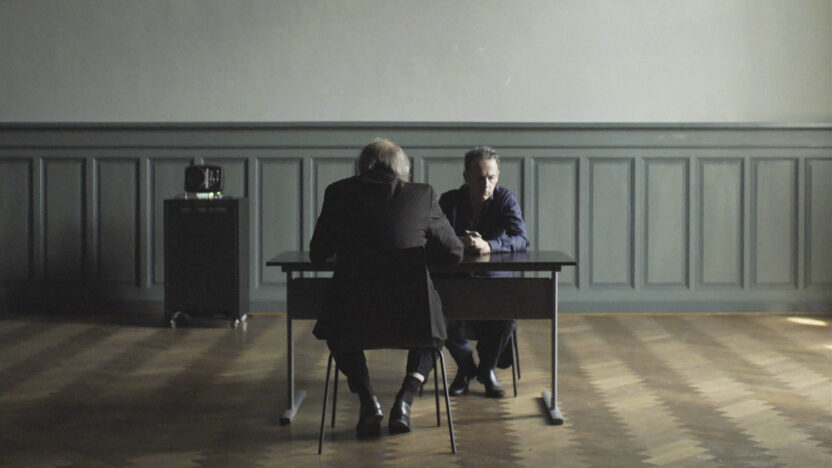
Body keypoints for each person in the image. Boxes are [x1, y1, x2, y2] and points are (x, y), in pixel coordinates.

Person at [310, 138, 463, 437]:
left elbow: (318, 253)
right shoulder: (422, 195)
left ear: (363, 166)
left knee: (337, 332)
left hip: (354, 314)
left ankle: (368, 400)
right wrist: (419, 256)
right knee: (436, 331)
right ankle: (405, 399)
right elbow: (454, 252)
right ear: (401, 167)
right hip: (412, 314)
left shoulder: (338, 193)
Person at [438, 146, 529, 398]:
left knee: (510, 312)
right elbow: (434, 237)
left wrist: (489, 245)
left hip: (494, 281)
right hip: (457, 281)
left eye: (492, 177)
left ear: (498, 176)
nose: (486, 185)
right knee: (436, 312)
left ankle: (487, 369)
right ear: (466, 177)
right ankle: (466, 366)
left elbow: (522, 239)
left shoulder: (505, 199)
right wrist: (459, 242)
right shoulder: (449, 201)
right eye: (480, 178)